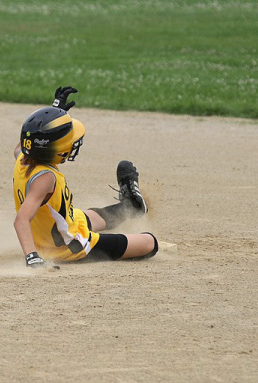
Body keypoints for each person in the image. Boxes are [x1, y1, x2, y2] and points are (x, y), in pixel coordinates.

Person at [13, 87, 158, 267]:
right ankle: (131, 216)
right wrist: (32, 257)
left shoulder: (21, 157)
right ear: (57, 150)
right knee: (150, 242)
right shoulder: (46, 178)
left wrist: (57, 112)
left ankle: (132, 206)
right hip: (71, 247)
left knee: (90, 216)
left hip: (54, 231)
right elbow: (21, 220)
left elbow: (32, 137)